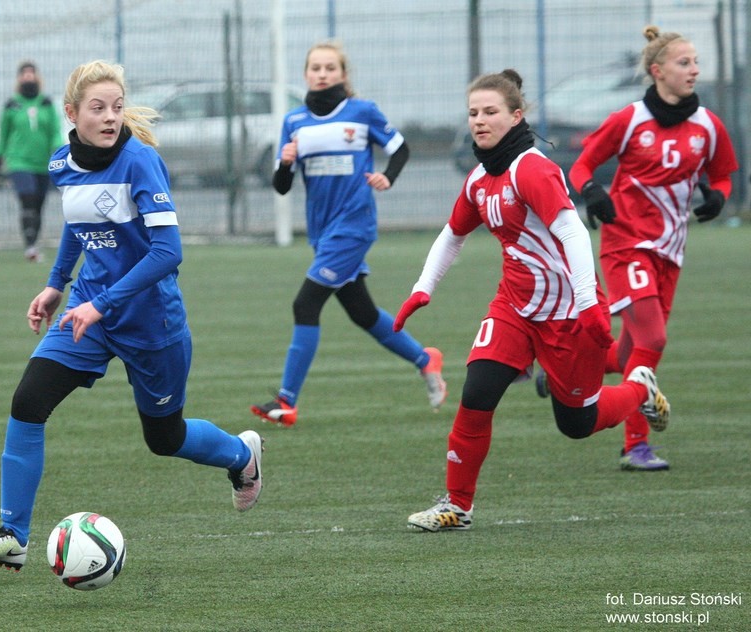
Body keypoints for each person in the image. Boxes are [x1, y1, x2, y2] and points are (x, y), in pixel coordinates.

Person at [0, 61, 263, 570]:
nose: (109, 117)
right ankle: (13, 536)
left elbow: (168, 252)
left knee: (164, 438)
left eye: (117, 107)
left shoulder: (140, 162)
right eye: (98, 108)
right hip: (87, 310)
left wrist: (101, 304)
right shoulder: (62, 163)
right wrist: (56, 284)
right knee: (28, 401)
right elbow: (78, 222)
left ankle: (241, 455)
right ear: (72, 113)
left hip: (150, 320)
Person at [394, 69, 670, 533]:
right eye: (473, 113)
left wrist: (588, 303)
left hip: (568, 312)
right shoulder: (479, 178)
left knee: (576, 424)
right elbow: (453, 234)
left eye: (490, 112)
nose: (479, 121)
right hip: (515, 307)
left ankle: (640, 387)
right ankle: (457, 506)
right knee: (476, 394)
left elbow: (572, 231)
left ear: (516, 116)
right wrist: (422, 288)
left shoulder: (533, 169)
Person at [542, 26, 738, 471]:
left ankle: (561, 373)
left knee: (631, 353)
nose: (695, 70)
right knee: (653, 338)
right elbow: (582, 166)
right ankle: (635, 445)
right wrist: (592, 191)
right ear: (657, 71)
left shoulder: (708, 125)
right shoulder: (629, 120)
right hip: (626, 244)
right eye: (684, 63)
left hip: (671, 250)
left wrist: (718, 197)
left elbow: (723, 175)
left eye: (696, 62)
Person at [250, 40, 445, 427]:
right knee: (362, 313)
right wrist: (285, 164)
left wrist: (387, 177)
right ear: (306, 74)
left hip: (354, 227)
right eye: (315, 68)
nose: (322, 74)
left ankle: (286, 401)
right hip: (323, 233)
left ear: (343, 74)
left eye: (330, 68)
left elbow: (400, 149)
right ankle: (425, 359)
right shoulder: (294, 121)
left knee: (305, 305)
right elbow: (281, 187)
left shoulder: (362, 111)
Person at [0, 60, 64, 262]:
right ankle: (29, 246)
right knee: (28, 199)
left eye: (31, 73)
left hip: (43, 163)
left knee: (38, 204)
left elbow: (55, 132)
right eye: (24, 73)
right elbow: (3, 136)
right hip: (19, 162)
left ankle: (34, 243)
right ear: (19, 78)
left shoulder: (46, 103)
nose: (28, 77)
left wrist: (59, 152)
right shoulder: (12, 105)